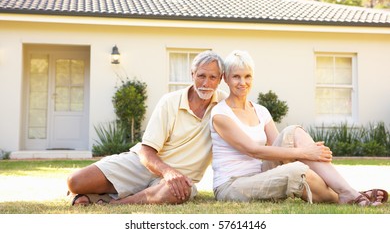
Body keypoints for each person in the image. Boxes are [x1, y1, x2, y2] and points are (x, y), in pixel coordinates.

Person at [210, 50, 388, 206]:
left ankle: (349, 192)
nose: (242, 82)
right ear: (226, 78)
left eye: (247, 76)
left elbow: (278, 148)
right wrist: (305, 153)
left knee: (293, 131)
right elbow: (254, 150)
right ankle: (350, 195)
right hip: (232, 185)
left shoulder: (261, 111)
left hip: (261, 173)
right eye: (236, 77)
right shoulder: (220, 114)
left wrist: (303, 152)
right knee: (295, 171)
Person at [67, 50, 226, 205]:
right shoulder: (170, 101)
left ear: (220, 79)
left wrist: (172, 176)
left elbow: (248, 112)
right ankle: (90, 194)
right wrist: (167, 171)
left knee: (178, 191)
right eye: (201, 76)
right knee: (75, 181)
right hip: (144, 165)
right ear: (192, 75)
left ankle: (114, 203)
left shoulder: (225, 106)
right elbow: (146, 151)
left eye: (213, 77)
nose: (206, 83)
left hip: (179, 179)